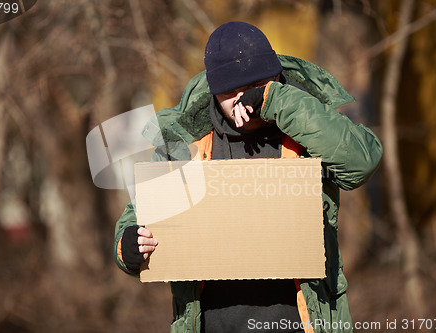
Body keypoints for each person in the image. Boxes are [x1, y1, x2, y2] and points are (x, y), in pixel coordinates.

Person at [114, 21, 383, 333]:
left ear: (275, 77)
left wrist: (276, 101)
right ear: (215, 93)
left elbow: (362, 161)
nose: (242, 100)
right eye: (231, 92)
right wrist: (128, 247)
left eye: (255, 85)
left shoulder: (307, 130)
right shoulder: (186, 146)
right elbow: (139, 219)